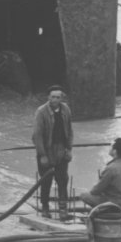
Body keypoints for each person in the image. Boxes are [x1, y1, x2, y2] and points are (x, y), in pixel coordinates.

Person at [32, 85, 73, 220]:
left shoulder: (66, 109)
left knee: (63, 179)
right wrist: (42, 155)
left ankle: (63, 210)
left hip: (61, 149)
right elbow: (37, 135)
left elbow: (70, 130)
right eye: (53, 97)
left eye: (58, 97)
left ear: (62, 98)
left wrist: (69, 149)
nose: (55, 99)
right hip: (46, 150)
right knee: (46, 181)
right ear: (48, 97)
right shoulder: (41, 112)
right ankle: (45, 208)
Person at [80, 138, 121, 210]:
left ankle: (103, 213)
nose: (109, 148)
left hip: (113, 204)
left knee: (83, 195)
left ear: (115, 151)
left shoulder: (111, 168)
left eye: (111, 146)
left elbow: (95, 191)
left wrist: (93, 190)